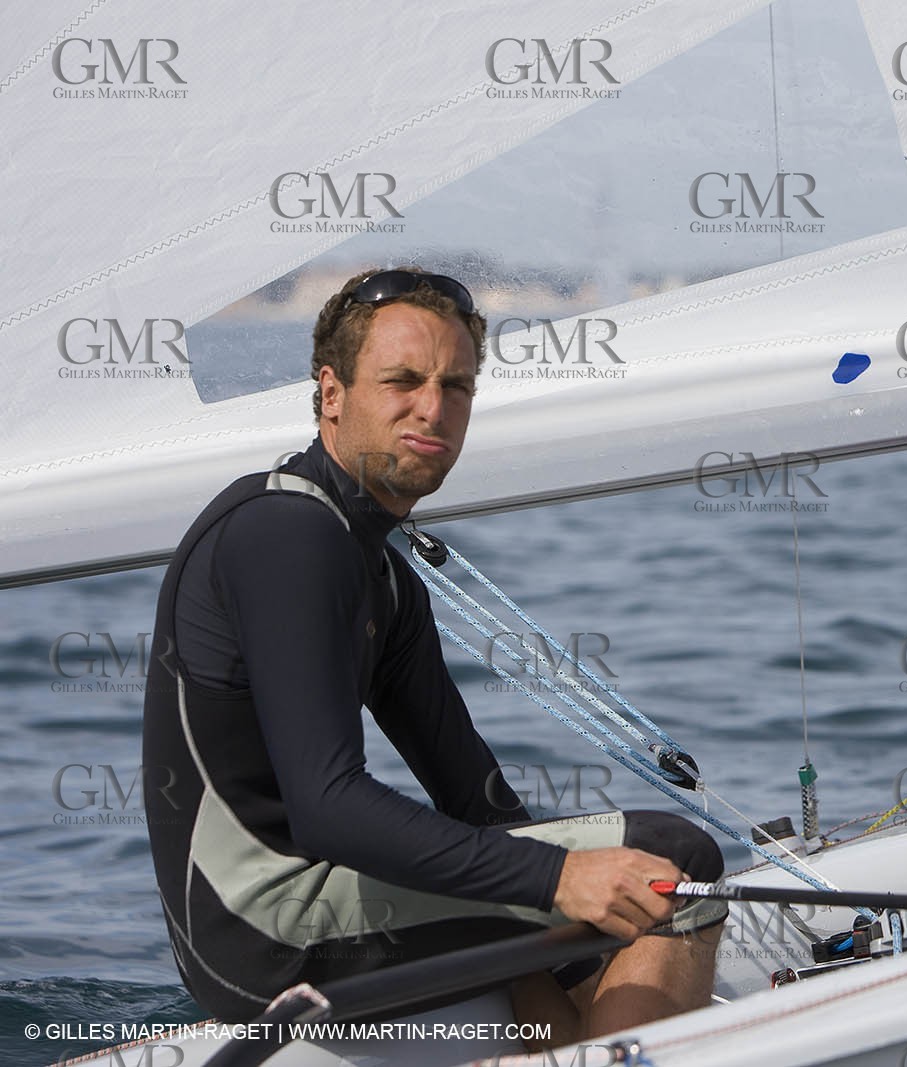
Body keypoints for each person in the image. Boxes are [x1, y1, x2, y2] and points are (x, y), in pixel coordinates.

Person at [142, 267, 724, 1038]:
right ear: (331, 394)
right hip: (263, 933)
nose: (433, 407)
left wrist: (583, 917)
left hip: (296, 912)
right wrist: (560, 876)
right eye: (403, 380)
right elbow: (330, 808)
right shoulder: (288, 534)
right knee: (674, 861)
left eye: (457, 386)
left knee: (610, 884)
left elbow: (474, 797)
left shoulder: (380, 569)